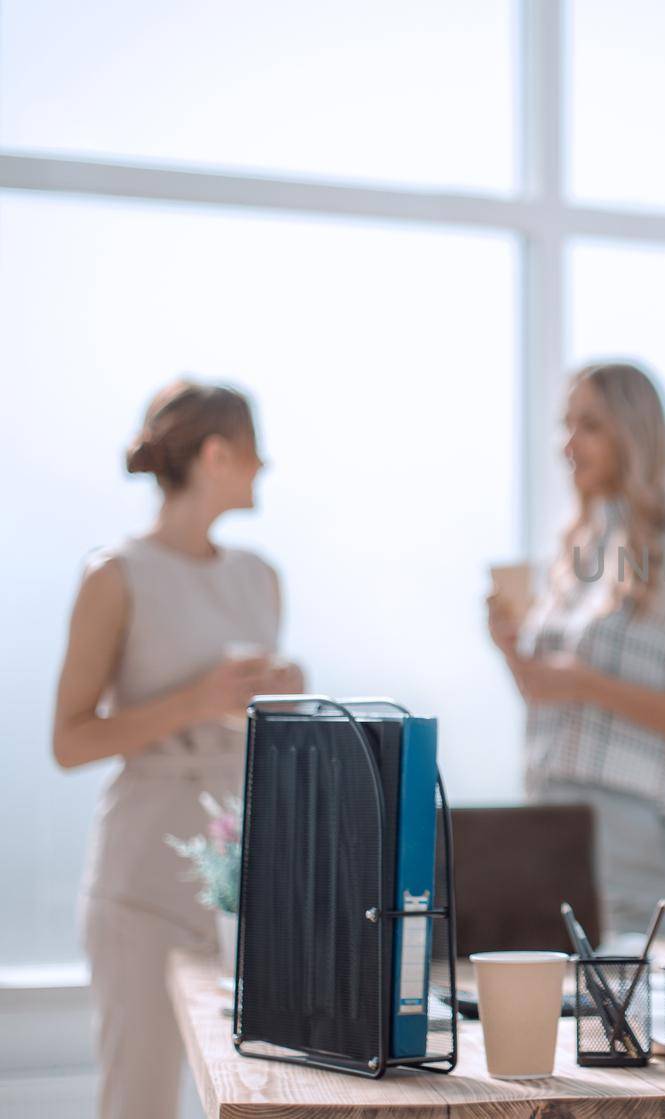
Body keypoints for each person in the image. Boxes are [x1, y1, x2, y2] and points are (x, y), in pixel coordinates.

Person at [52, 380, 303, 1119]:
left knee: (265, 1092)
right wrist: (195, 700)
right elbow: (69, 740)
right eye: (256, 450)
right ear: (218, 454)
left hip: (247, 875)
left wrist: (287, 688)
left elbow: (260, 722)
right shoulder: (116, 574)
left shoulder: (261, 577)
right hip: (144, 881)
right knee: (141, 1101)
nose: (267, 466)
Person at [488, 361, 665, 939]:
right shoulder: (574, 551)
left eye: (590, 425)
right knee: (556, 1020)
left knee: (618, 1023)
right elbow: (548, 694)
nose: (568, 445)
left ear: (633, 433)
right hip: (548, 820)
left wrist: (584, 682)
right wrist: (510, 650)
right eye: (565, 425)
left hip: (635, 835)